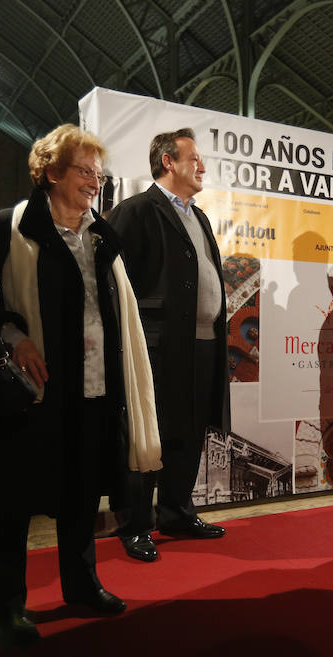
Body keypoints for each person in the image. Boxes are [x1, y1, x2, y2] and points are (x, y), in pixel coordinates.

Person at [0, 124, 161, 646]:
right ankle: (6, 605)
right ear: (51, 172)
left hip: (95, 384)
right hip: (33, 390)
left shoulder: (102, 235)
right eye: (85, 171)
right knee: (14, 495)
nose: (95, 181)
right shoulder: (6, 227)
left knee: (83, 489)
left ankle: (81, 586)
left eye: (99, 173)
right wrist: (14, 335)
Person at [108, 128, 228, 563]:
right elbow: (113, 280)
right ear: (168, 163)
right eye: (193, 159)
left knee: (189, 431)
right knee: (147, 436)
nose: (202, 167)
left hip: (203, 345)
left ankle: (176, 511)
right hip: (156, 347)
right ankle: (135, 524)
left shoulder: (199, 216)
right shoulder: (136, 211)